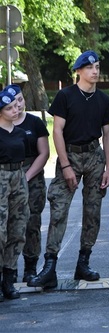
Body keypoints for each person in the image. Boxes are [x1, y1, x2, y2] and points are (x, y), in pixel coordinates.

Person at [28, 50, 109, 289]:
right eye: (89, 68)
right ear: (78, 71)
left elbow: (107, 135)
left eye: (97, 67)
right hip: (71, 155)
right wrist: (65, 165)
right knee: (59, 209)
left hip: (95, 156)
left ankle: (83, 263)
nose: (95, 71)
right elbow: (57, 131)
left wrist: (108, 167)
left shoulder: (104, 100)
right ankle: (50, 266)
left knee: (93, 211)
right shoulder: (65, 96)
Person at [6, 84, 50, 283]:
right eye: (13, 103)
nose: (18, 106)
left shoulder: (34, 123)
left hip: (32, 176)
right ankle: (9, 270)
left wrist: (27, 176)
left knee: (31, 223)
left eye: (21, 100)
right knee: (8, 225)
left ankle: (31, 267)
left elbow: (44, 153)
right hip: (7, 176)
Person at [0, 91, 29, 301]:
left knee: (17, 229)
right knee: (0, 232)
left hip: (19, 177)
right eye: (9, 108)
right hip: (0, 177)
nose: (15, 110)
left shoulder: (19, 133)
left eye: (16, 106)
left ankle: (8, 281)